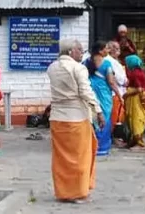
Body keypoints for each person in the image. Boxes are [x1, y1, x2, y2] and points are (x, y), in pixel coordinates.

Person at [46, 39, 103, 204]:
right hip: (76, 117)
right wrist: (98, 110)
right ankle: (77, 193)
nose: (81, 53)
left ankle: (64, 191)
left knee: (61, 158)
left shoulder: (52, 68)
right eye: (79, 50)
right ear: (71, 51)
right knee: (79, 157)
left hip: (57, 117)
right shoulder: (78, 68)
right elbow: (85, 92)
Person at [87, 42, 117, 156]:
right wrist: (119, 94)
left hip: (91, 93)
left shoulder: (86, 62)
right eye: (106, 48)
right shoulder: (107, 63)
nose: (108, 50)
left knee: (92, 116)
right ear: (100, 51)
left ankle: (92, 145)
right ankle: (102, 146)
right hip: (104, 94)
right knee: (105, 115)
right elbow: (111, 81)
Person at [123, 54, 145, 148]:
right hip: (142, 96)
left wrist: (126, 94)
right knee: (140, 116)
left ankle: (137, 138)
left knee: (135, 117)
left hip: (136, 98)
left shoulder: (135, 73)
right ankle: (136, 138)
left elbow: (138, 89)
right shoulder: (140, 71)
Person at [104, 41, 128, 139]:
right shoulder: (109, 61)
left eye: (118, 48)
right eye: (116, 48)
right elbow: (117, 77)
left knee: (118, 115)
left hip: (119, 92)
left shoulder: (114, 60)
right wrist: (125, 81)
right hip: (115, 93)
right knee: (115, 116)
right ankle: (113, 136)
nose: (118, 50)